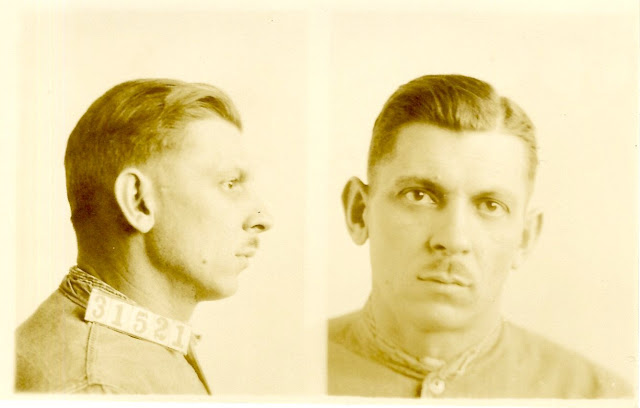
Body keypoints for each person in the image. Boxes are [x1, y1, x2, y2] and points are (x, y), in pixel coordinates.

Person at [328, 74, 632, 398]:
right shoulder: (289, 369)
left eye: (490, 205)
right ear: (359, 212)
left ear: (525, 237)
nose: (453, 240)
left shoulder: (597, 397)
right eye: (419, 196)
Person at [15, 78, 273, 394]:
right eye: (230, 183)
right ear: (138, 201)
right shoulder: (99, 389)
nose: (263, 218)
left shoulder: (127, 353)